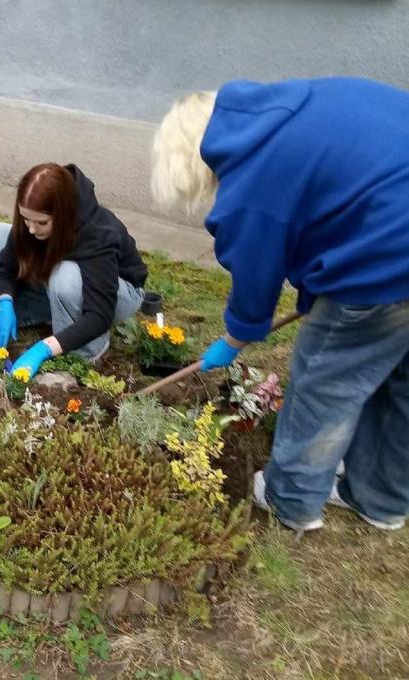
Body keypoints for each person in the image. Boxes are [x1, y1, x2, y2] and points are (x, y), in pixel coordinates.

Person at [150, 77, 409, 532]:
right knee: (399, 382)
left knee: (324, 384)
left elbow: (256, 284)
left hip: (390, 258)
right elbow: (341, 205)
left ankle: (291, 499)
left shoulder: (254, 180)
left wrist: (233, 339)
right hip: (393, 237)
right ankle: (380, 498)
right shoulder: (294, 108)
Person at [0, 163, 148, 380]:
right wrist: (4, 301)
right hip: (59, 273)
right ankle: (29, 315)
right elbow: (8, 266)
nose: (31, 229)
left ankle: (83, 353)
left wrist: (44, 349)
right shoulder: (33, 219)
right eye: (25, 218)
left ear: (63, 214)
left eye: (41, 222)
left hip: (117, 293)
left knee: (65, 277)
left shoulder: (98, 233)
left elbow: (99, 315)